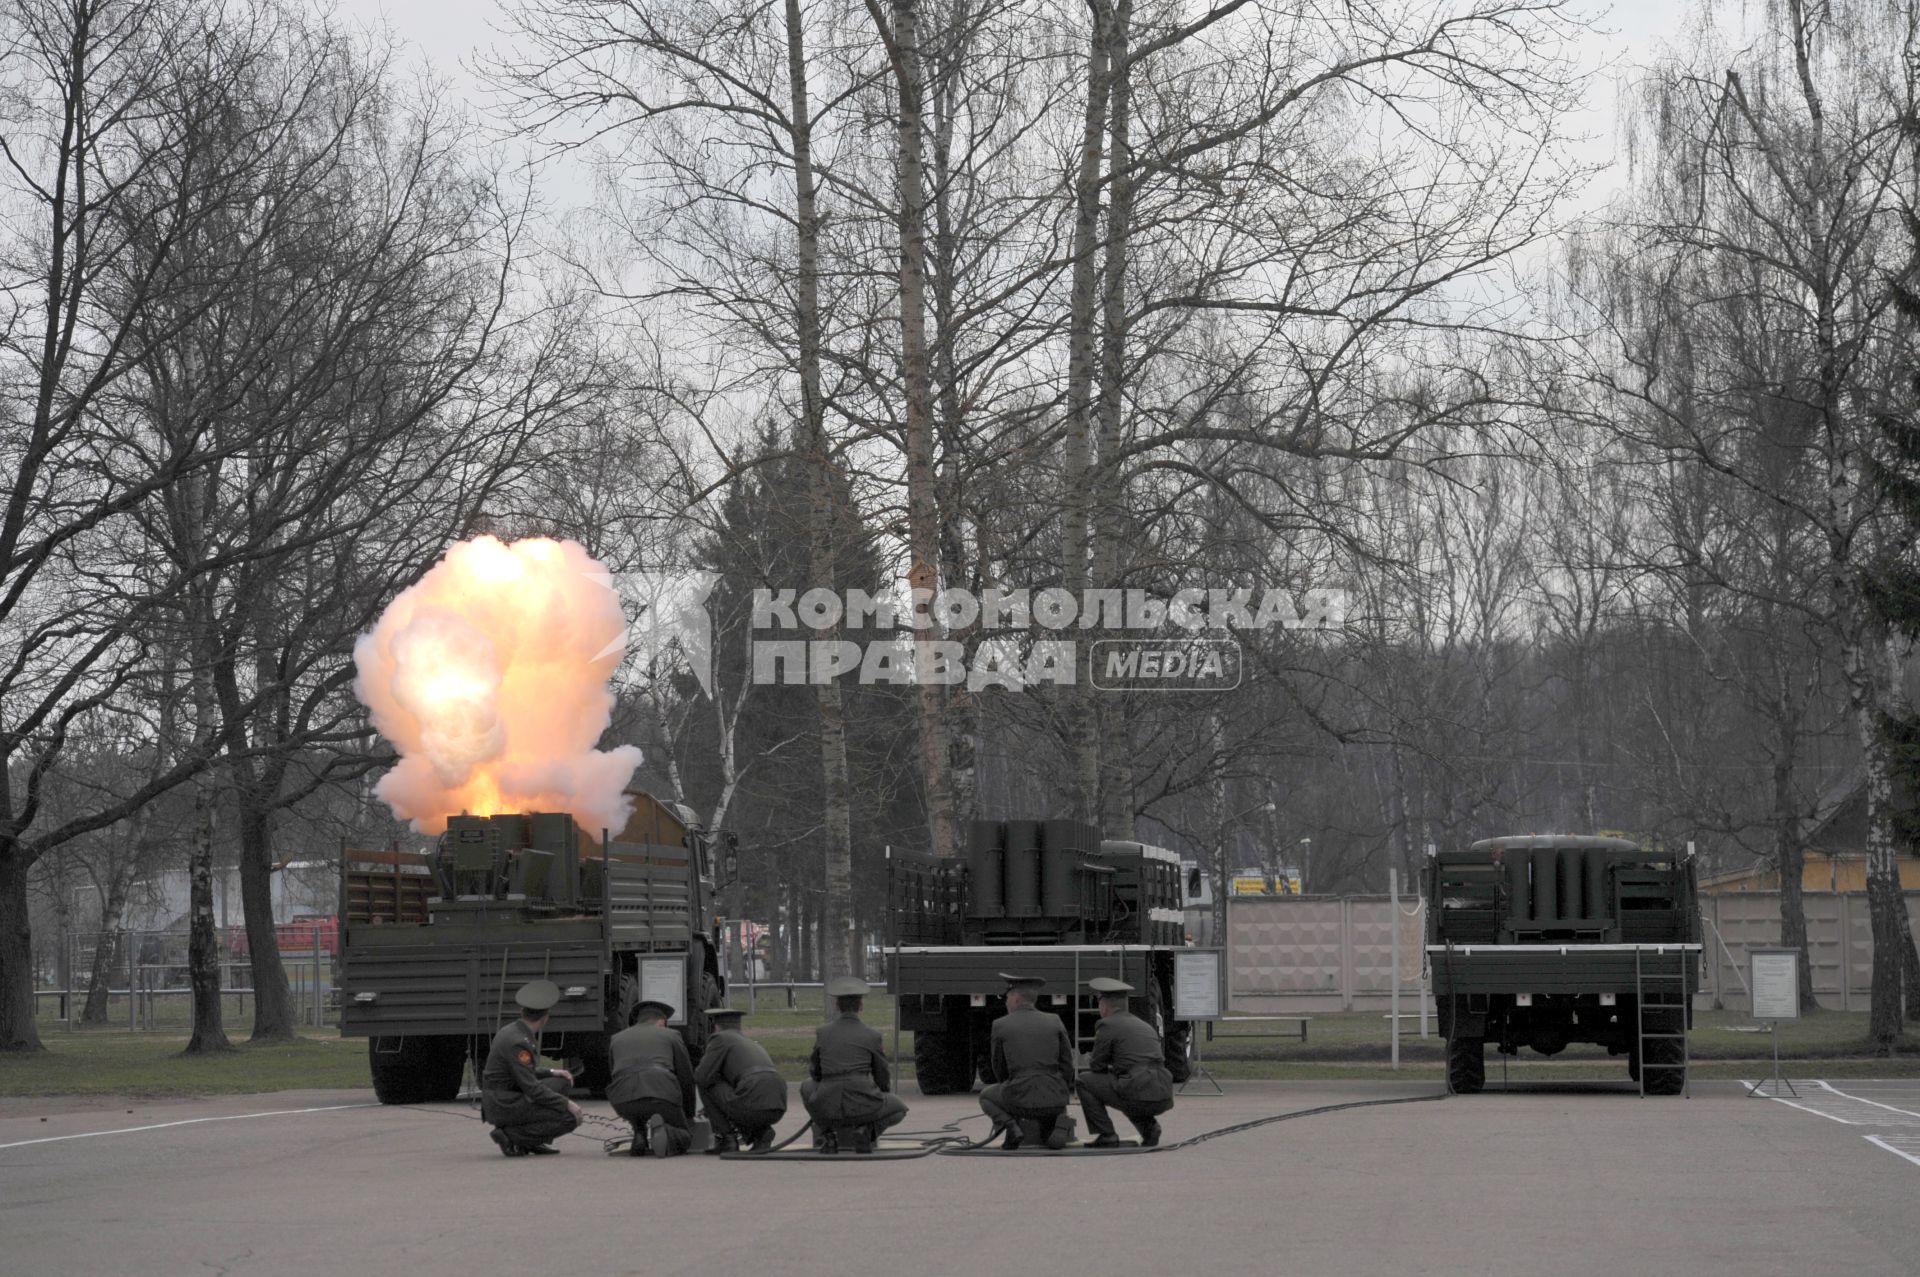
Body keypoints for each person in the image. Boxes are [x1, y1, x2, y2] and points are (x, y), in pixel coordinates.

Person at [800, 975, 907, 1154]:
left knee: (805, 1087)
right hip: (863, 1101)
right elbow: (882, 1072)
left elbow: (815, 1070)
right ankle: (866, 1131)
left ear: (837, 1006)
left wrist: (823, 1086)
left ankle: (828, 1136)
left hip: (828, 1102)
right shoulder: (872, 1035)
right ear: (861, 1006)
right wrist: (882, 1092)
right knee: (899, 1108)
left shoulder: (823, 1032)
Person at [481, 979, 584, 1157]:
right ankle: (511, 1136)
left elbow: (520, 1071)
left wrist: (552, 1071)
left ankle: (533, 1141)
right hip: (503, 1103)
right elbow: (532, 1088)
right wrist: (568, 1104)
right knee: (569, 1118)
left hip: (504, 1096)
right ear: (545, 1018)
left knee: (562, 1081)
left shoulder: (513, 1030)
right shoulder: (519, 1041)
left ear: (522, 1011)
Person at [1074, 976, 1174, 1148]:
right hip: (1163, 1092)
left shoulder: (1107, 1025)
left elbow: (1096, 1066)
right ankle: (1149, 1128)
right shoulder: (1143, 1025)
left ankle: (1106, 1134)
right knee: (1126, 1082)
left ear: (1104, 1005)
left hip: (1138, 1089)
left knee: (1084, 1081)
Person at [979, 973, 1075, 1150]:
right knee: (1049, 1116)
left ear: (1015, 999)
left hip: (1019, 1101)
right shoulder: (1054, 1021)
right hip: (1054, 1099)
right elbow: (1067, 1064)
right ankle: (1057, 1126)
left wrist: (1010, 1085)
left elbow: (998, 1068)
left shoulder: (1000, 1025)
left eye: (1007, 998)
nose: (1006, 1002)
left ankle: (1011, 1127)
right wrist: (1061, 1090)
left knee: (986, 1096)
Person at [607, 998, 698, 1157]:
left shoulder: (617, 1038)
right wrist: (688, 1114)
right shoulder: (671, 1035)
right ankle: (667, 1133)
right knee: (685, 1136)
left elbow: (614, 1073)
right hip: (660, 1093)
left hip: (622, 1099)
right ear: (662, 1021)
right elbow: (685, 1076)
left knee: (635, 1100)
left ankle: (639, 1134)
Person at [696, 1006, 788, 1154]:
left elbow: (701, 1076)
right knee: (738, 1097)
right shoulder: (749, 1041)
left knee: (707, 1085)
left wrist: (711, 1109)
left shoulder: (720, 1038)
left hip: (753, 1102)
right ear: (739, 1026)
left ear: (717, 1027)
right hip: (777, 1106)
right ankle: (761, 1133)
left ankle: (727, 1139)